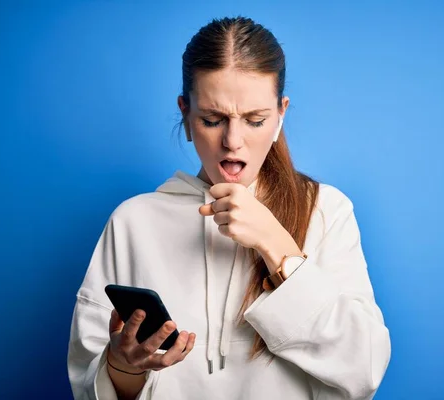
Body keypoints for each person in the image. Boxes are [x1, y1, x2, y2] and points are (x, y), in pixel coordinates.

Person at [67, 16, 391, 400]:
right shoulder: (132, 222)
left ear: (280, 115)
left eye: (255, 120)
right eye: (212, 119)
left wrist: (278, 247)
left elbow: (365, 369)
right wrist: (123, 368)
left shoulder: (326, 211)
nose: (233, 141)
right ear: (186, 115)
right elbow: (87, 388)